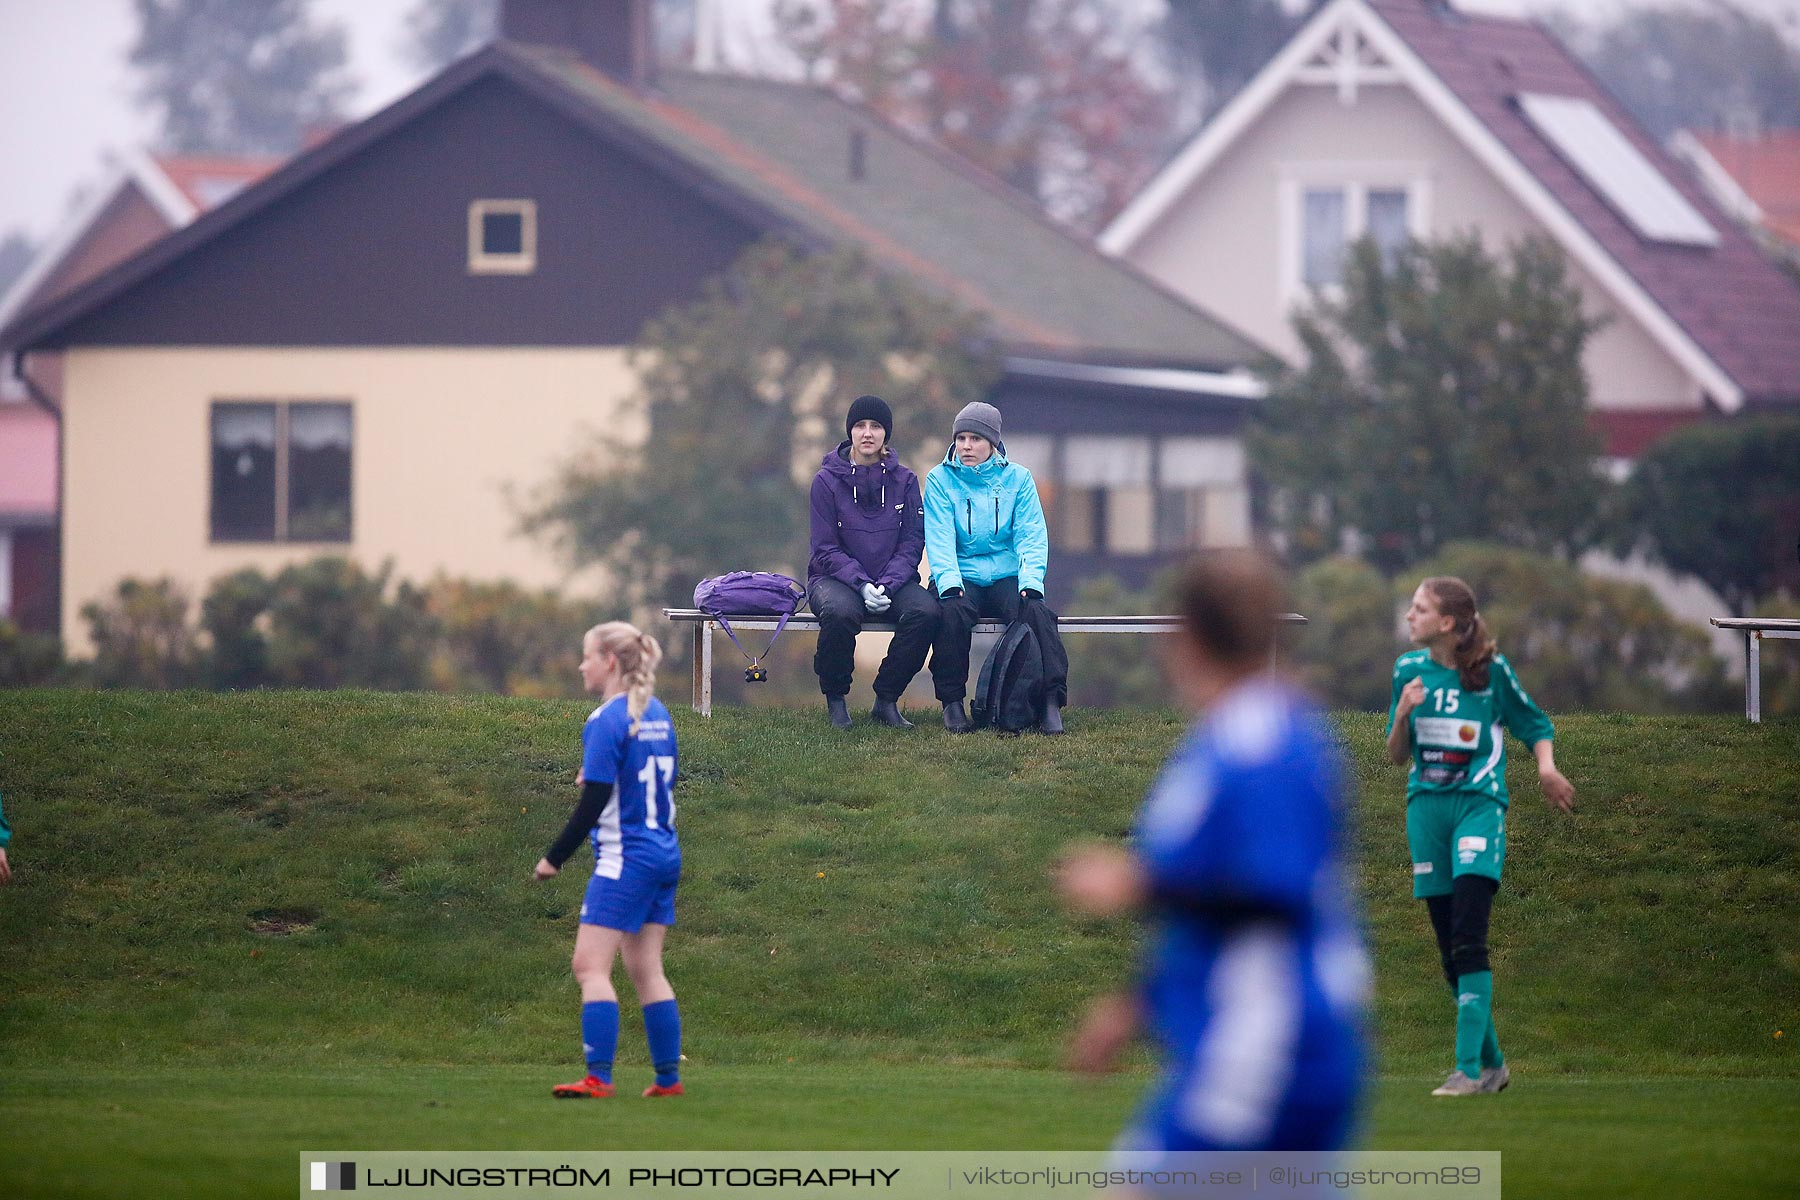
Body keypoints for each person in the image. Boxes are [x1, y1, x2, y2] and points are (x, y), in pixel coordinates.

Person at [1058, 551, 1367, 1161]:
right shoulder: (1237, 734)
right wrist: (1138, 1006)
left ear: (1187, 637)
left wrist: (1138, 886)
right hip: (1247, 1036)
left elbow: (1278, 893)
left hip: (1265, 1046)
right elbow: (1218, 903)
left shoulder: (1261, 743)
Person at [1388, 576, 1574, 1098]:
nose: (1409, 615)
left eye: (1419, 608)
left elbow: (1534, 724)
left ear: (1447, 622)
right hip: (1426, 815)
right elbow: (1395, 754)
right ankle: (1493, 1066)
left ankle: (1467, 1070)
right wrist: (1402, 713)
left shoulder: (1491, 674)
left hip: (1478, 809)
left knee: (1470, 939)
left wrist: (1546, 768)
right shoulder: (1408, 671)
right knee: (1450, 951)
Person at [535, 621, 685, 1099]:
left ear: (611, 662)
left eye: (588, 656)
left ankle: (598, 1078)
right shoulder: (658, 712)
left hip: (627, 857)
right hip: (664, 851)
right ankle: (667, 1080)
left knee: (589, 966)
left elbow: (595, 801)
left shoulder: (606, 719)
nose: (582, 665)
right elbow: (659, 777)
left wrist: (553, 858)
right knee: (646, 968)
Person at [923, 401, 1068, 734]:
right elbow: (940, 537)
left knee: (1037, 613)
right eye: (961, 438)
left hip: (1006, 573)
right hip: (961, 573)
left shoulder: (1018, 479)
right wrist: (949, 583)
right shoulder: (940, 479)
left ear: (992, 442)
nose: (966, 446)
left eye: (975, 439)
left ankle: (1049, 702)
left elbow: (1032, 533)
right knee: (951, 612)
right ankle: (952, 703)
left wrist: (1031, 581)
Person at [807, 394, 940, 730]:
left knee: (926, 613)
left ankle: (886, 699)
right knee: (840, 614)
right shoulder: (825, 482)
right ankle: (836, 700)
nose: (867, 433)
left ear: (886, 434)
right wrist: (861, 584)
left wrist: (888, 584)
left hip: (892, 580)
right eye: (860, 425)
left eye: (876, 426)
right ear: (850, 431)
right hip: (834, 579)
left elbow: (912, 542)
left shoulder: (906, 481)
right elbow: (824, 548)